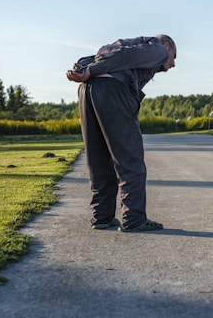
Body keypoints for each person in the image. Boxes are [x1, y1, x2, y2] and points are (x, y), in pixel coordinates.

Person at [66, 35, 176, 232]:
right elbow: (127, 55)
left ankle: (102, 216)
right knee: (129, 157)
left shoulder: (119, 48)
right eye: (173, 56)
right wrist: (90, 70)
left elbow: (96, 58)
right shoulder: (158, 47)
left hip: (88, 90)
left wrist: (83, 68)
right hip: (111, 91)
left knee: (99, 157)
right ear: (167, 45)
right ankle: (133, 218)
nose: (173, 64)